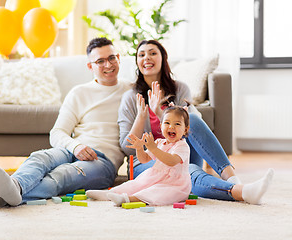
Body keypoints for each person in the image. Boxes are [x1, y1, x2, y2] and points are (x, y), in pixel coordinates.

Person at [116, 39, 273, 205]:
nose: (147, 58)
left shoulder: (180, 89)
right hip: (147, 164)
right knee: (188, 172)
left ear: (163, 58)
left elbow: (190, 128)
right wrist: (142, 116)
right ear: (137, 63)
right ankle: (243, 192)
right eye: (141, 55)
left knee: (193, 120)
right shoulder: (130, 97)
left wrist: (159, 113)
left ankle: (233, 179)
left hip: (181, 154)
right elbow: (127, 148)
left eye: (153, 53)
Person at [0, 37, 131, 208]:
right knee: (40, 157)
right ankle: (15, 186)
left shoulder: (131, 91)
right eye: (100, 61)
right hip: (72, 149)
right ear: (90, 66)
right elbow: (57, 132)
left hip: (103, 162)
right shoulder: (79, 93)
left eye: (112, 58)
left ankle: (0, 197)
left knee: (61, 175)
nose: (108, 65)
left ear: (118, 58)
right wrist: (76, 147)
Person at [87, 104, 192, 207]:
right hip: (156, 177)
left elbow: (171, 161)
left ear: (185, 129)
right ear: (161, 126)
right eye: (167, 123)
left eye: (177, 124)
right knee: (135, 184)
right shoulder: (159, 143)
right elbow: (144, 159)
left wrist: (154, 149)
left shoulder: (182, 146)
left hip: (175, 185)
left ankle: (126, 199)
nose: (171, 126)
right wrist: (139, 148)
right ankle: (109, 194)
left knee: (156, 192)